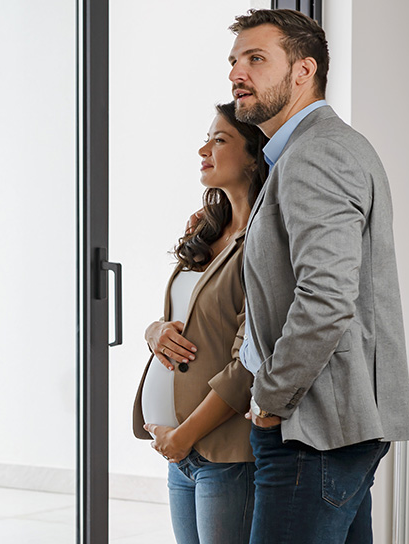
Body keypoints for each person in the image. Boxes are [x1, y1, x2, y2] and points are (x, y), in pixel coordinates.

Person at [226, 9, 409, 543]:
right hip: (325, 426)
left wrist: (271, 398)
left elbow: (327, 297)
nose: (238, 73)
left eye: (256, 59)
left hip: (311, 429)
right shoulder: (308, 151)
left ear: (304, 70)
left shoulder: (318, 153)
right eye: (235, 61)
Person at [133, 102, 268, 544]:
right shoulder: (210, 232)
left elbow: (249, 360)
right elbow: (186, 317)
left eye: (220, 139)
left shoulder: (262, 242)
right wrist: (154, 332)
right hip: (181, 452)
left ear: (253, 154)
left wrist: (185, 435)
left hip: (223, 453)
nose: (203, 149)